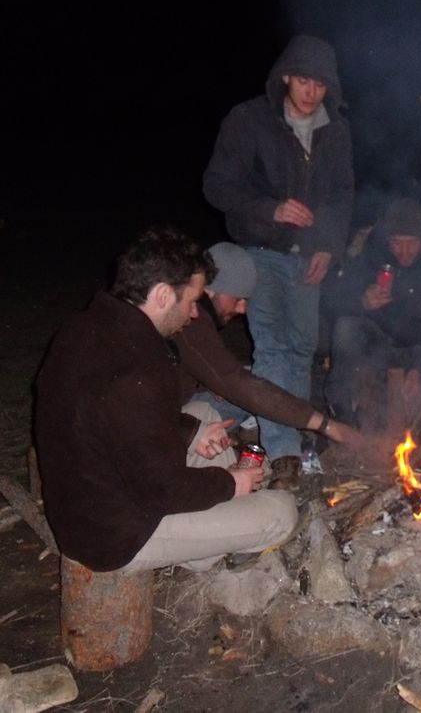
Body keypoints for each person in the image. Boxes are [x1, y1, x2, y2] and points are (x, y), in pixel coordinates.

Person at [34, 226, 297, 574]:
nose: (193, 314)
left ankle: (216, 530)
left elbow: (117, 421)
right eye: (190, 301)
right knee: (281, 512)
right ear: (161, 295)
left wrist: (191, 432)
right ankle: (207, 549)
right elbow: (163, 490)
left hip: (94, 491)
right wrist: (230, 482)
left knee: (202, 414)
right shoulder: (135, 372)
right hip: (116, 534)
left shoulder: (87, 327)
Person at [203, 34, 354, 462]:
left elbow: (343, 195)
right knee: (272, 347)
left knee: (301, 349)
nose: (311, 92)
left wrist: (329, 247)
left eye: (320, 84)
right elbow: (216, 186)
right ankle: (283, 453)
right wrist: (271, 210)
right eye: (304, 80)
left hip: (309, 257)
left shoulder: (336, 130)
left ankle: (300, 447)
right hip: (260, 249)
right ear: (286, 76)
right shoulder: (248, 120)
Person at [174, 241, 359, 451]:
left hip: (174, 407)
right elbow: (237, 383)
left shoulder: (196, 313)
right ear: (213, 289)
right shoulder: (192, 319)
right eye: (238, 299)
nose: (243, 309)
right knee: (251, 391)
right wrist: (326, 425)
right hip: (164, 420)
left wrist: (205, 382)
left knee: (252, 384)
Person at [322, 197, 421, 429]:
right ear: (387, 240)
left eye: (412, 243)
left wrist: (420, 367)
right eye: (397, 243)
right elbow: (332, 302)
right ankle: (343, 420)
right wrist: (362, 302)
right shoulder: (368, 257)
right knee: (346, 326)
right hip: (378, 347)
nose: (405, 252)